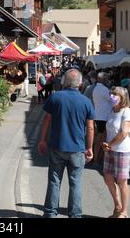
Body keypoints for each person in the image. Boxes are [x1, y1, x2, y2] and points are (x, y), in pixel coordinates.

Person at [38, 69, 95, 218]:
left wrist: (42, 140)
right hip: (77, 148)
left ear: (64, 82)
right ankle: (75, 215)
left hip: (57, 146)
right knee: (75, 183)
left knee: (54, 181)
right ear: (80, 84)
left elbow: (46, 120)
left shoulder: (55, 97)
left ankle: (50, 213)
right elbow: (90, 127)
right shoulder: (86, 101)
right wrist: (89, 147)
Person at [102, 87, 130, 218]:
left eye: (115, 94)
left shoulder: (127, 111)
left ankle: (124, 212)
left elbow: (124, 133)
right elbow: (108, 130)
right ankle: (117, 206)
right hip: (109, 150)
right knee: (108, 178)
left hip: (121, 150)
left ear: (122, 97)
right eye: (111, 93)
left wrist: (110, 144)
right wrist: (105, 143)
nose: (112, 96)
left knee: (122, 181)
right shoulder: (111, 110)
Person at [92, 72, 112, 165]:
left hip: (99, 116)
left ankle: (97, 158)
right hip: (103, 117)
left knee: (99, 139)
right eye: (106, 78)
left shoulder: (96, 88)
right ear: (103, 79)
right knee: (101, 139)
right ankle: (97, 159)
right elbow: (112, 100)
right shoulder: (104, 89)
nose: (108, 80)